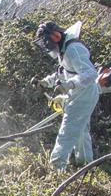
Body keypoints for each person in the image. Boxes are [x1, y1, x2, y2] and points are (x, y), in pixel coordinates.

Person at [33, 21, 99, 170]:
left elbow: (90, 73)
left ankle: (56, 167)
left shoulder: (73, 49)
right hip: (79, 93)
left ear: (55, 36)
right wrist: (45, 82)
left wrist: (69, 85)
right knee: (81, 130)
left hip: (85, 94)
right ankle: (85, 164)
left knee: (68, 130)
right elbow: (64, 72)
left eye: (47, 41)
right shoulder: (64, 49)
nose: (46, 45)